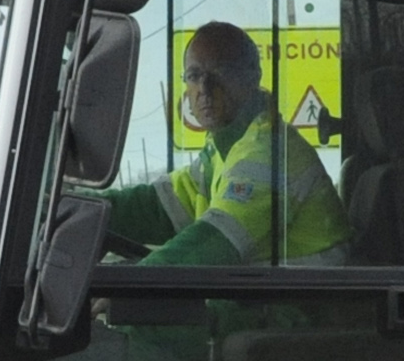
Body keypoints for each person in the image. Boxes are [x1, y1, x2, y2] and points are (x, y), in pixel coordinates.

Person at [105, 21, 346, 266]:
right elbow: (156, 207)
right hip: (262, 298)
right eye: (194, 76)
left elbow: (211, 244)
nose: (205, 88)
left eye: (221, 72)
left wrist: (131, 287)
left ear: (253, 76)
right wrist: (85, 207)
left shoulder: (268, 152)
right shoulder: (224, 148)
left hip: (303, 301)